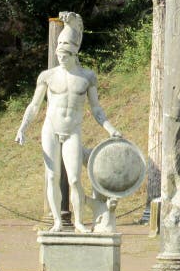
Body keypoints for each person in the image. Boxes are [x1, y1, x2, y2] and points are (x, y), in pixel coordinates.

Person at [15, 12, 120, 233]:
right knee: (52, 176)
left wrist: (111, 129)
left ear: (74, 53)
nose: (60, 57)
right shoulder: (47, 75)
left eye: (65, 54)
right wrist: (23, 128)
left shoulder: (87, 77)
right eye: (59, 53)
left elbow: (96, 108)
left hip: (73, 130)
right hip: (51, 129)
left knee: (74, 178)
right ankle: (56, 222)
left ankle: (80, 222)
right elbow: (34, 106)